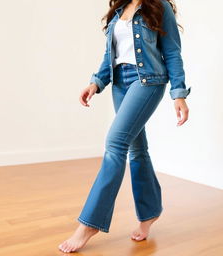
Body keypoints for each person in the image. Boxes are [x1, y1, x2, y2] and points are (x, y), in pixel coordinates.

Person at [59, 0, 191, 253]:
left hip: (148, 81)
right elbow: (110, 55)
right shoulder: (118, 10)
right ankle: (149, 214)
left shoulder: (158, 6)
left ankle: (90, 224)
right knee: (137, 149)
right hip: (120, 83)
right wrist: (96, 83)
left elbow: (173, 52)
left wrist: (179, 94)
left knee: (115, 145)